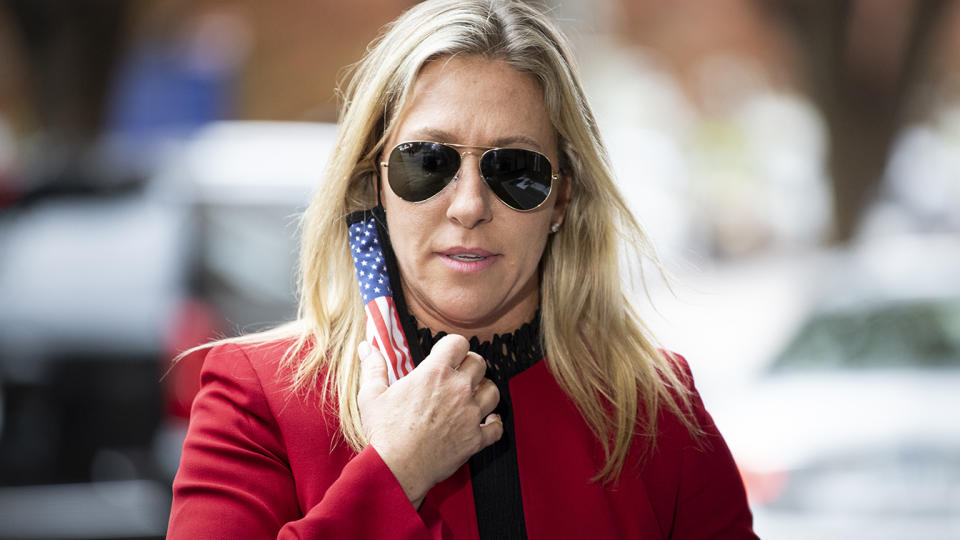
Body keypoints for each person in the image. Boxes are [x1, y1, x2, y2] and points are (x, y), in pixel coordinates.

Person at [167, 0, 758, 538]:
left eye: (515, 169)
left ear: (562, 198)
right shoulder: (259, 398)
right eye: (427, 162)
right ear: (373, 181)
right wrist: (396, 470)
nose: (470, 205)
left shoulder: (651, 408)